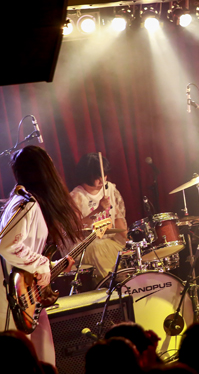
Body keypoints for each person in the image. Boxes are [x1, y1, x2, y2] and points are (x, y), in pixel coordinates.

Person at [0, 146, 80, 365]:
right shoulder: (26, 203)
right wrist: (43, 263)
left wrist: (50, 266)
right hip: (12, 297)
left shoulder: (26, 202)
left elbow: (23, 252)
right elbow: (7, 246)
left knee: (44, 361)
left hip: (27, 295)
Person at [67, 152, 128, 284]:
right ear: (87, 176)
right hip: (88, 245)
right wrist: (99, 210)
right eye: (97, 177)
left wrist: (128, 239)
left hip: (109, 240)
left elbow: (117, 218)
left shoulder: (109, 188)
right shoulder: (76, 196)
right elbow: (76, 227)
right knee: (99, 249)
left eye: (104, 175)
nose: (102, 181)